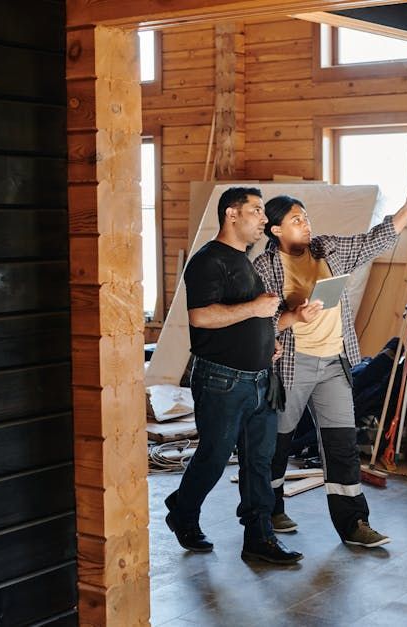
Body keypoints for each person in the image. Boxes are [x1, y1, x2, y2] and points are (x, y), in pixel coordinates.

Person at [253, 180, 407, 548]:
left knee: (340, 444)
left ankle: (354, 524)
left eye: (305, 217)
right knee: (278, 441)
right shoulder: (265, 266)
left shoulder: (329, 249)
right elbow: (260, 320)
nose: (305, 224)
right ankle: (269, 508)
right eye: (295, 220)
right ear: (275, 230)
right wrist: (295, 314)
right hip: (292, 365)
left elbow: (375, 239)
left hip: (334, 363)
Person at [163, 186, 302, 565]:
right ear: (231, 214)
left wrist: (267, 343)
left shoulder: (245, 260)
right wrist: (257, 308)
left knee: (259, 460)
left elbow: (249, 319)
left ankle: (259, 537)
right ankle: (183, 512)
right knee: (213, 456)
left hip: (260, 379)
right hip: (222, 381)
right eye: (256, 210)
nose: (263, 218)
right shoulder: (209, 261)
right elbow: (201, 316)